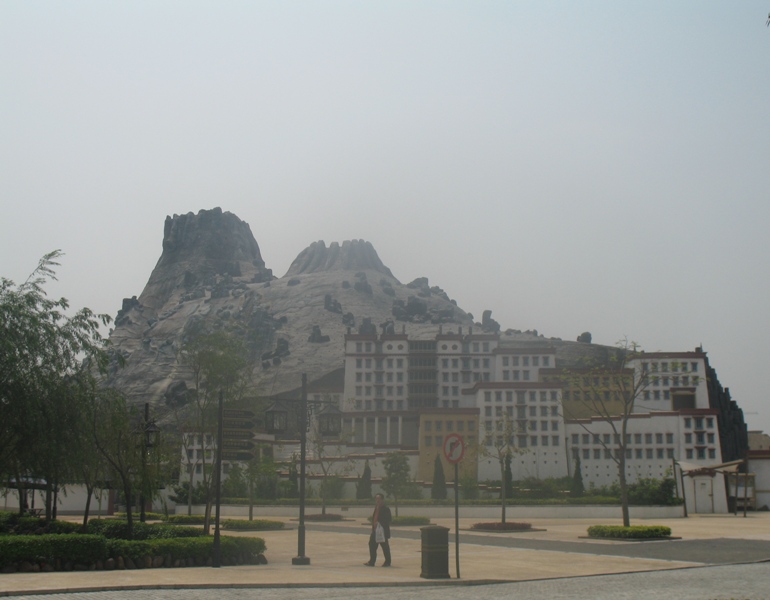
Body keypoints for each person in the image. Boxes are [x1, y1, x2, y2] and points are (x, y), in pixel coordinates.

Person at [364, 493, 391, 567]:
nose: (377, 501)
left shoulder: (386, 509)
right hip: (375, 531)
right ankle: (372, 561)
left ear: (382, 500)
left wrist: (380, 523)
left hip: (382, 532)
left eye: (379, 499)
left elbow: (388, 519)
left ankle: (387, 562)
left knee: (385, 547)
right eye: (376, 499)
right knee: (372, 545)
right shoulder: (376, 508)